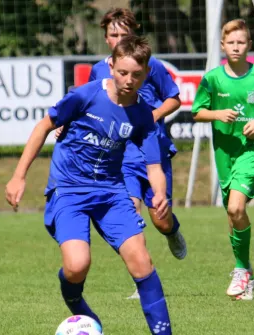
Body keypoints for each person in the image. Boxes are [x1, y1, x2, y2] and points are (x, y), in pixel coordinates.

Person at [5, 36, 186, 335]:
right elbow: (43, 127)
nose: (129, 80)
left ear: (146, 74)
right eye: (123, 72)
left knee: (141, 260)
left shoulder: (143, 115)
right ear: (111, 66)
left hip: (111, 192)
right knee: (77, 266)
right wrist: (19, 176)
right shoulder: (85, 96)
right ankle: (75, 300)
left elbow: (154, 165)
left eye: (137, 75)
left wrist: (159, 192)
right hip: (69, 191)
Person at [61, 8, 187, 300]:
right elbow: (86, 106)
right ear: (106, 38)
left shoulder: (151, 65)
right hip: (121, 154)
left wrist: (151, 117)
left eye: (124, 33)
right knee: (129, 213)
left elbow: (174, 99)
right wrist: (67, 127)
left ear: (134, 34)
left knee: (161, 218)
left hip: (153, 151)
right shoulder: (98, 71)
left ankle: (172, 231)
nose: (119, 39)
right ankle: (142, 280)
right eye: (113, 34)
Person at [191, 19, 254, 300]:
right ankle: (247, 273)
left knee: (235, 207)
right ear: (223, 45)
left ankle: (241, 269)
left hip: (252, 150)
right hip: (225, 153)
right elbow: (197, 111)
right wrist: (217, 114)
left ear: (249, 45)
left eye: (241, 42)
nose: (236, 47)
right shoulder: (212, 79)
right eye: (231, 42)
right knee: (233, 215)